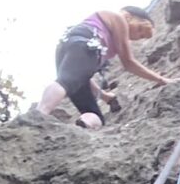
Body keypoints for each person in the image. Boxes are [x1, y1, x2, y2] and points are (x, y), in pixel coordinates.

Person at [39, 8, 168, 130]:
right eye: (140, 29)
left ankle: (84, 124)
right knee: (65, 82)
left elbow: (83, 77)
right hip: (85, 44)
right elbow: (128, 63)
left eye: (141, 37)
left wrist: (104, 96)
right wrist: (162, 80)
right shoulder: (118, 19)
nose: (136, 36)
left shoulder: (103, 39)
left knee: (95, 115)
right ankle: (39, 113)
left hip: (69, 47)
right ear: (128, 16)